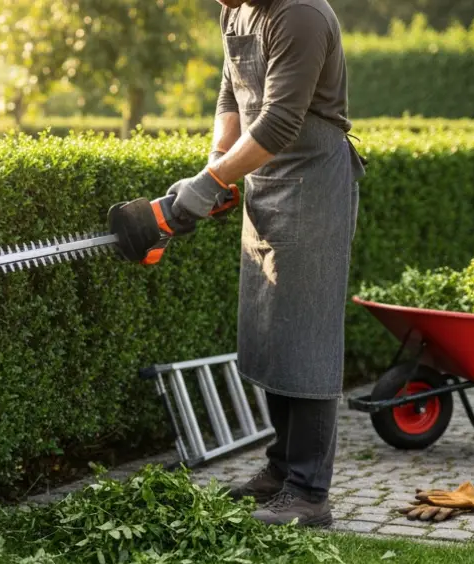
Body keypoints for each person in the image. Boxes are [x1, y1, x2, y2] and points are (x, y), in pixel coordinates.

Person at [166, 0, 366, 528]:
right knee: (273, 332)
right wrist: (217, 164)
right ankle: (281, 470)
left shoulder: (298, 13)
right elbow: (232, 86)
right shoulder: (237, 9)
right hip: (267, 180)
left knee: (307, 334)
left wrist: (211, 183)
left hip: (313, 179)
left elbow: (278, 120)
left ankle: (309, 494)